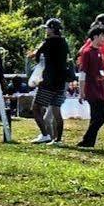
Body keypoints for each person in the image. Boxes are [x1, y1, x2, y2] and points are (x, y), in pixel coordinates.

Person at [31, 17, 70, 145]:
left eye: (47, 28)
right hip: (60, 83)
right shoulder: (64, 43)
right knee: (56, 111)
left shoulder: (47, 42)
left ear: (52, 29)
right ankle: (58, 140)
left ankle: (45, 135)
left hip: (48, 82)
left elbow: (37, 57)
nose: (46, 30)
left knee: (36, 108)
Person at [75, 24, 104, 148]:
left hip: (101, 89)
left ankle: (89, 142)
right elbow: (83, 73)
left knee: (101, 116)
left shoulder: (99, 52)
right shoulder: (87, 52)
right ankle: (86, 140)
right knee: (99, 117)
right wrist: (81, 92)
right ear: (95, 37)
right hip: (92, 89)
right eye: (102, 36)